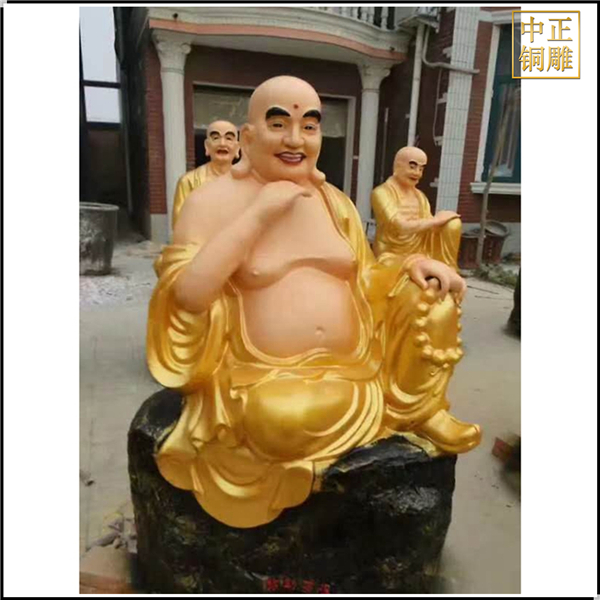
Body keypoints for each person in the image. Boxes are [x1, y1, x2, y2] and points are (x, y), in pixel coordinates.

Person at [147, 76, 480, 528]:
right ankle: (379, 413)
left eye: (309, 126)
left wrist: (411, 265)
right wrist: (259, 214)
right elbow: (186, 295)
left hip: (359, 361)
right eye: (278, 124)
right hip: (267, 377)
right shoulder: (210, 202)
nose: (294, 140)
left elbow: (366, 277)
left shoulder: (334, 202)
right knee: (279, 418)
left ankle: (419, 409)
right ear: (248, 137)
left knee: (433, 297)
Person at [372, 146, 461, 270]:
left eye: (421, 169)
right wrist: (436, 220)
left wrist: (444, 221)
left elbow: (430, 228)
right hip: (392, 253)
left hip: (420, 250)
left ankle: (449, 267)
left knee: (453, 224)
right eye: (412, 167)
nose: (417, 173)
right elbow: (400, 227)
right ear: (398, 166)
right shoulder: (381, 192)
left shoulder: (420, 196)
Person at [171, 120, 240, 229]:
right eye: (216, 138)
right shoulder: (188, 181)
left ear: (237, 148)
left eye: (229, 138)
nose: (222, 143)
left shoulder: (246, 182)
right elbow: (180, 226)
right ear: (207, 146)